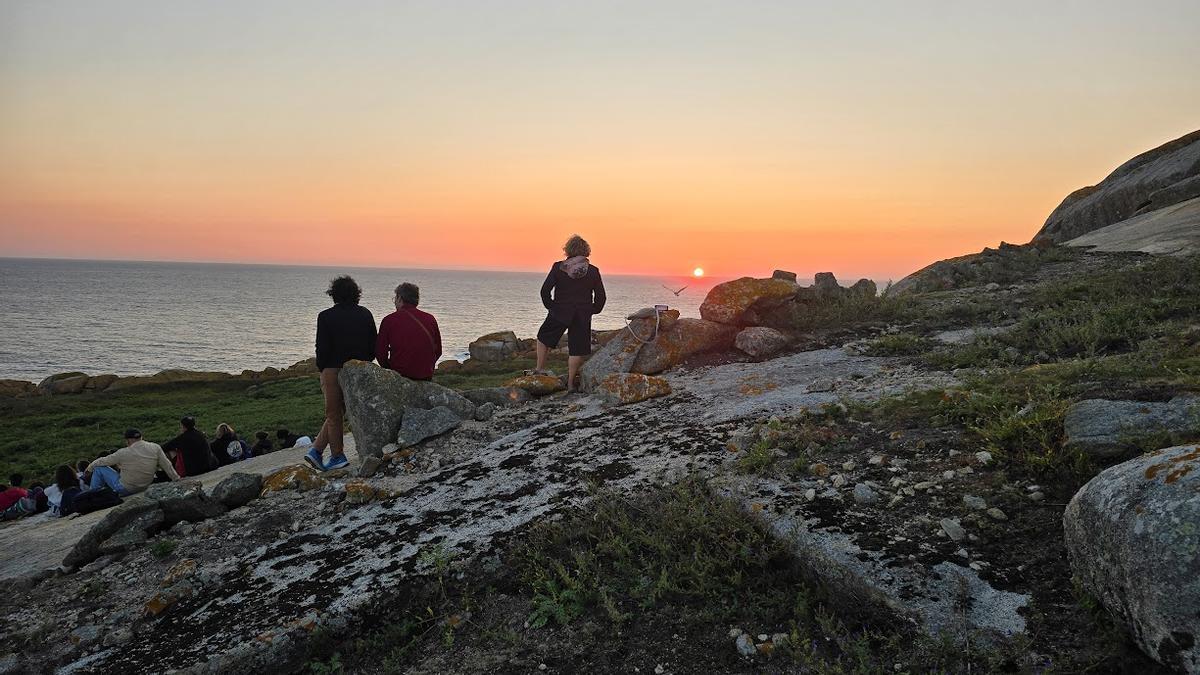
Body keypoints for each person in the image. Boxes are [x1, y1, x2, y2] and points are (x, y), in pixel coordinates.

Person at [307, 275, 376, 472]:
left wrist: (322, 367)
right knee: (342, 410)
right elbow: (373, 344)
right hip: (359, 368)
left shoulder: (325, 316)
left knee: (334, 412)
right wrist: (366, 361)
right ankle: (316, 450)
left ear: (334, 294)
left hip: (333, 368)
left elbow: (322, 348)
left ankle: (337, 455)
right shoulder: (365, 314)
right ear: (356, 294)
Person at [536, 234, 606, 392]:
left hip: (560, 311)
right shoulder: (593, 271)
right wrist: (593, 309)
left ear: (568, 250)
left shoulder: (559, 267)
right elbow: (601, 296)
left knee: (543, 338)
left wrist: (551, 307)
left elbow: (545, 291)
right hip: (582, 314)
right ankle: (569, 384)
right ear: (586, 251)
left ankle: (539, 370)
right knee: (577, 349)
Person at [376, 282, 442, 381]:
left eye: (395, 299)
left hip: (400, 375)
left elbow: (380, 353)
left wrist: (389, 369)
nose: (394, 302)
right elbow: (438, 351)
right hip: (425, 375)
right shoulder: (430, 319)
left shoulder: (389, 320)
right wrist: (424, 367)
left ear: (400, 298)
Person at [86, 428, 180, 496]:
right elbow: (166, 464)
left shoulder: (123, 452)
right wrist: (175, 478)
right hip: (146, 485)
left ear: (128, 440)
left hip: (126, 489)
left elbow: (103, 461)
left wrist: (90, 467)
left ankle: (92, 496)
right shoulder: (155, 447)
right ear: (141, 437)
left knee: (98, 468)